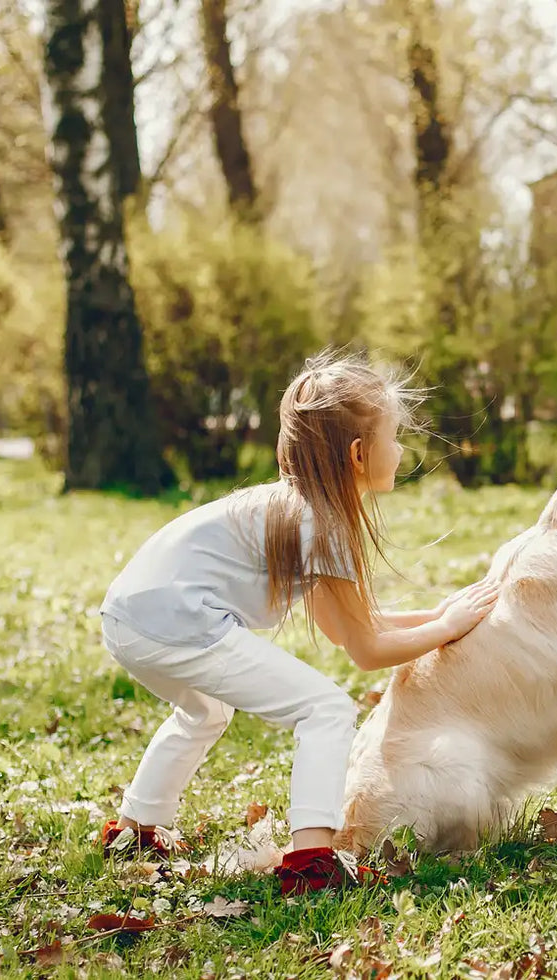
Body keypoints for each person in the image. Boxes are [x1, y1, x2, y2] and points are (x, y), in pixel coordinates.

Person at [96, 352, 500, 894]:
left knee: (204, 711)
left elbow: (351, 625)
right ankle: (311, 859)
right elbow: (367, 650)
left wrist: (442, 616)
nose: (402, 449)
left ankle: (136, 830)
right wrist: (447, 628)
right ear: (359, 455)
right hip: (176, 618)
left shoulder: (301, 509)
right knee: (326, 707)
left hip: (130, 616)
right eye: (394, 437)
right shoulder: (322, 522)